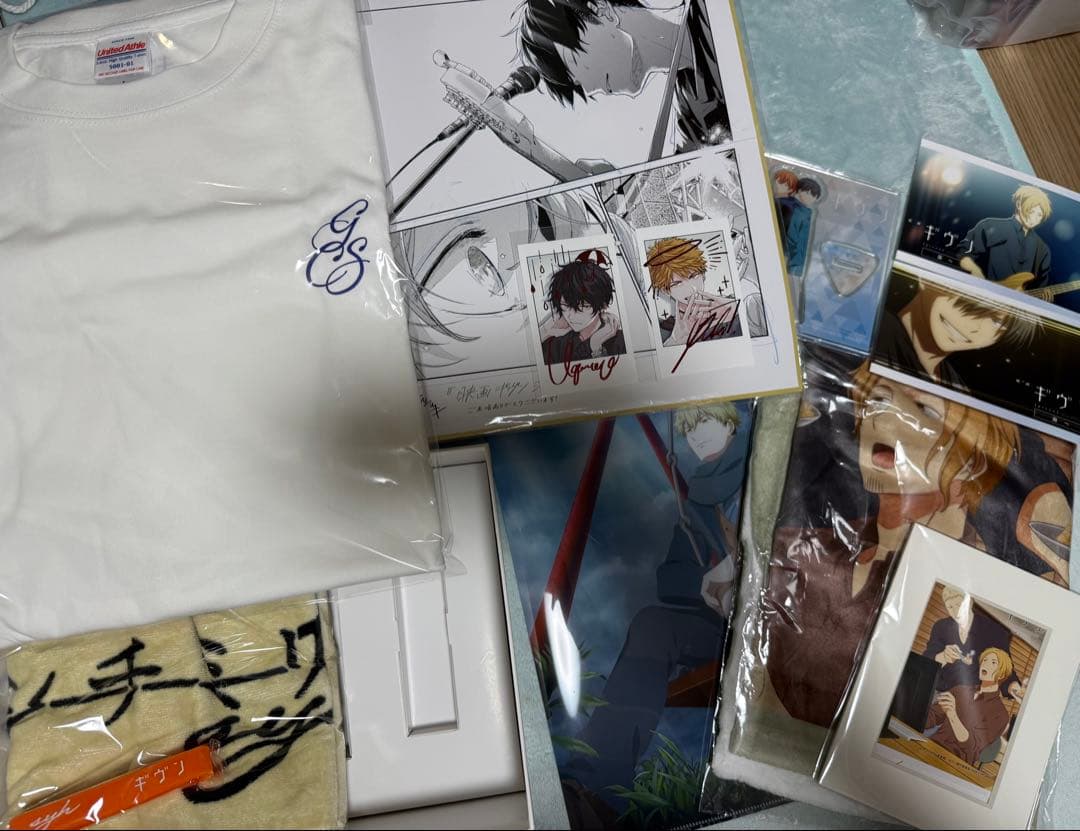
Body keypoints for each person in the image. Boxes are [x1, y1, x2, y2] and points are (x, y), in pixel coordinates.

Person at [568, 403, 746, 799]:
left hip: (773, 617)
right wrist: (706, 583)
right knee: (652, 625)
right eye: (689, 430)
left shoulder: (759, 472)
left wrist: (740, 568)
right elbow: (670, 578)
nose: (697, 435)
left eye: (706, 422)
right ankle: (599, 776)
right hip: (721, 626)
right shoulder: (699, 502)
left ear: (731, 424)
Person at [515, 0, 729, 153]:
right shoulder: (695, 112)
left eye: (577, 63)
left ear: (602, 11)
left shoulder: (720, 14)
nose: (588, 88)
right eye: (576, 83)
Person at [873, 278, 1038, 388]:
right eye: (970, 299)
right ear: (926, 279)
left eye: (996, 322)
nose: (973, 326)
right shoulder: (874, 337)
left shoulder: (955, 386)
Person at [922, 585, 1018, 696]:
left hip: (971, 699)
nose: (956, 612)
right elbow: (927, 660)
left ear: (969, 602)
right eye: (950, 607)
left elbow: (1005, 669)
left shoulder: (993, 630)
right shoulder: (940, 627)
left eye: (959, 605)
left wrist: (1014, 688)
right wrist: (943, 656)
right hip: (939, 692)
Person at [924, 647, 1013, 766]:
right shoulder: (960, 689)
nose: (985, 664)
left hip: (955, 763)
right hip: (931, 746)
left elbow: (971, 747)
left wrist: (953, 716)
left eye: (993, 663)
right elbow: (932, 717)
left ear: (1001, 674)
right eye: (985, 660)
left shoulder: (1000, 714)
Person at [645, 236, 740, 346]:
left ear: (703, 274)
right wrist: (675, 341)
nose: (691, 288)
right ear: (666, 291)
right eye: (677, 284)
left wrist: (736, 311)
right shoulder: (664, 330)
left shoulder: (731, 305)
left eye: (694, 276)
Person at [958, 185, 1053, 292]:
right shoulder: (989, 226)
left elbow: (1041, 284)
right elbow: (963, 252)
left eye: (1039, 215)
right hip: (979, 292)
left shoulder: (1042, 249)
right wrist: (975, 270)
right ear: (1019, 204)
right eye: (1031, 212)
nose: (1033, 218)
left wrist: (1042, 294)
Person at [539, 250, 626, 365]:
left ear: (602, 304)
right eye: (565, 305)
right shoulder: (558, 344)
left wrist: (595, 347)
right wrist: (591, 344)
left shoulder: (620, 341)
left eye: (582, 307)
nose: (570, 316)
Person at [783, 177, 822, 277]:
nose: (812, 199)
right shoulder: (801, 213)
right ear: (800, 190)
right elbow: (800, 242)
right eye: (809, 194)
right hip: (786, 255)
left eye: (815, 196)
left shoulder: (785, 203)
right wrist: (796, 269)